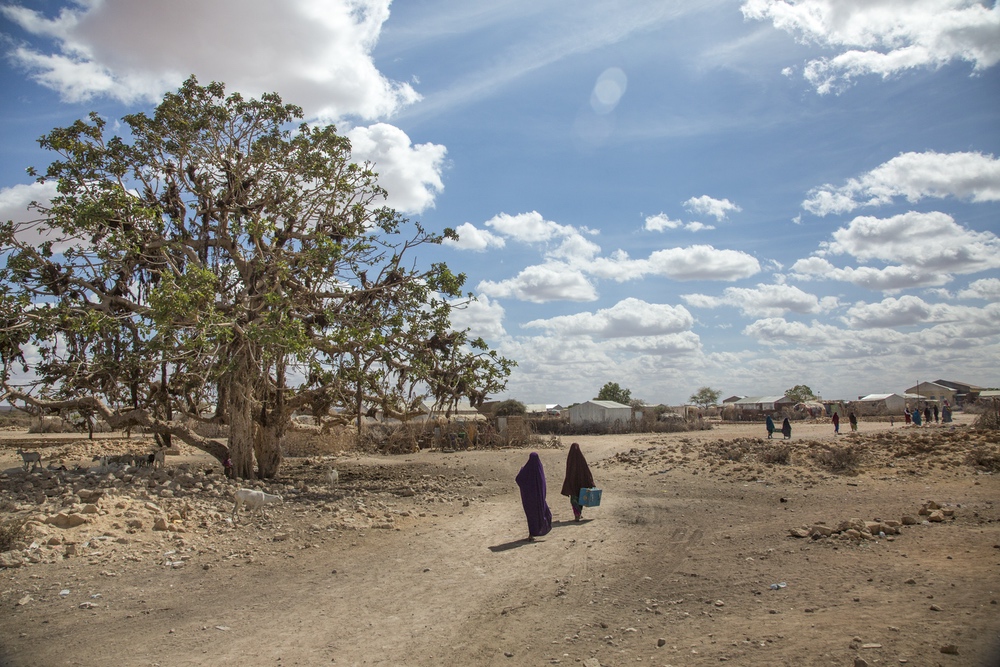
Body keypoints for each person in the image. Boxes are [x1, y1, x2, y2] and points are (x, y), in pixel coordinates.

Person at [515, 452, 552, 540]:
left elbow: (518, 479)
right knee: (542, 514)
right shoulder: (539, 469)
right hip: (538, 498)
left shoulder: (526, 470)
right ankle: (538, 531)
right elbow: (543, 484)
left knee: (531, 516)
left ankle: (531, 534)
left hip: (528, 499)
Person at [561, 442, 595, 522]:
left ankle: (577, 514)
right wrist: (590, 481)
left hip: (573, 483)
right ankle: (578, 513)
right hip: (581, 483)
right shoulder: (581, 458)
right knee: (581, 497)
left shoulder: (570, 459)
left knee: (574, 499)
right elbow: (586, 471)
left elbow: (568, 471)